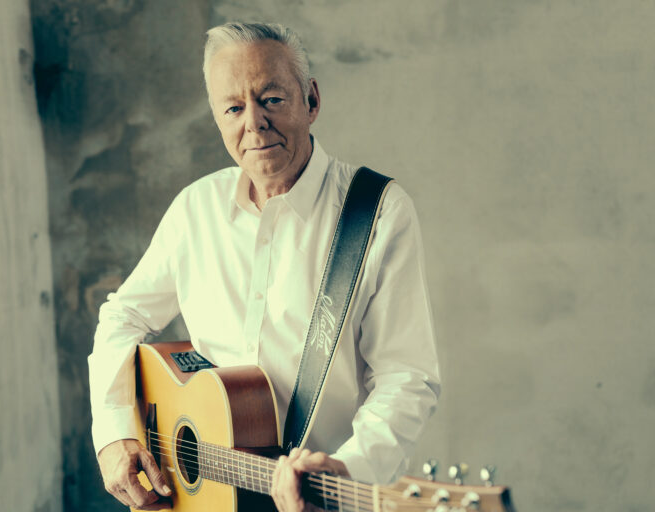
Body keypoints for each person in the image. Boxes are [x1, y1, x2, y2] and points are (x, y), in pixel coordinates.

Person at [89, 22, 441, 512]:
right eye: (233, 108)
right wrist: (113, 435)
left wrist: (350, 469)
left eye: (271, 99)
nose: (253, 123)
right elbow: (121, 317)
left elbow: (406, 376)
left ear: (311, 100)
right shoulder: (196, 208)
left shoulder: (377, 212)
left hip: (320, 499)